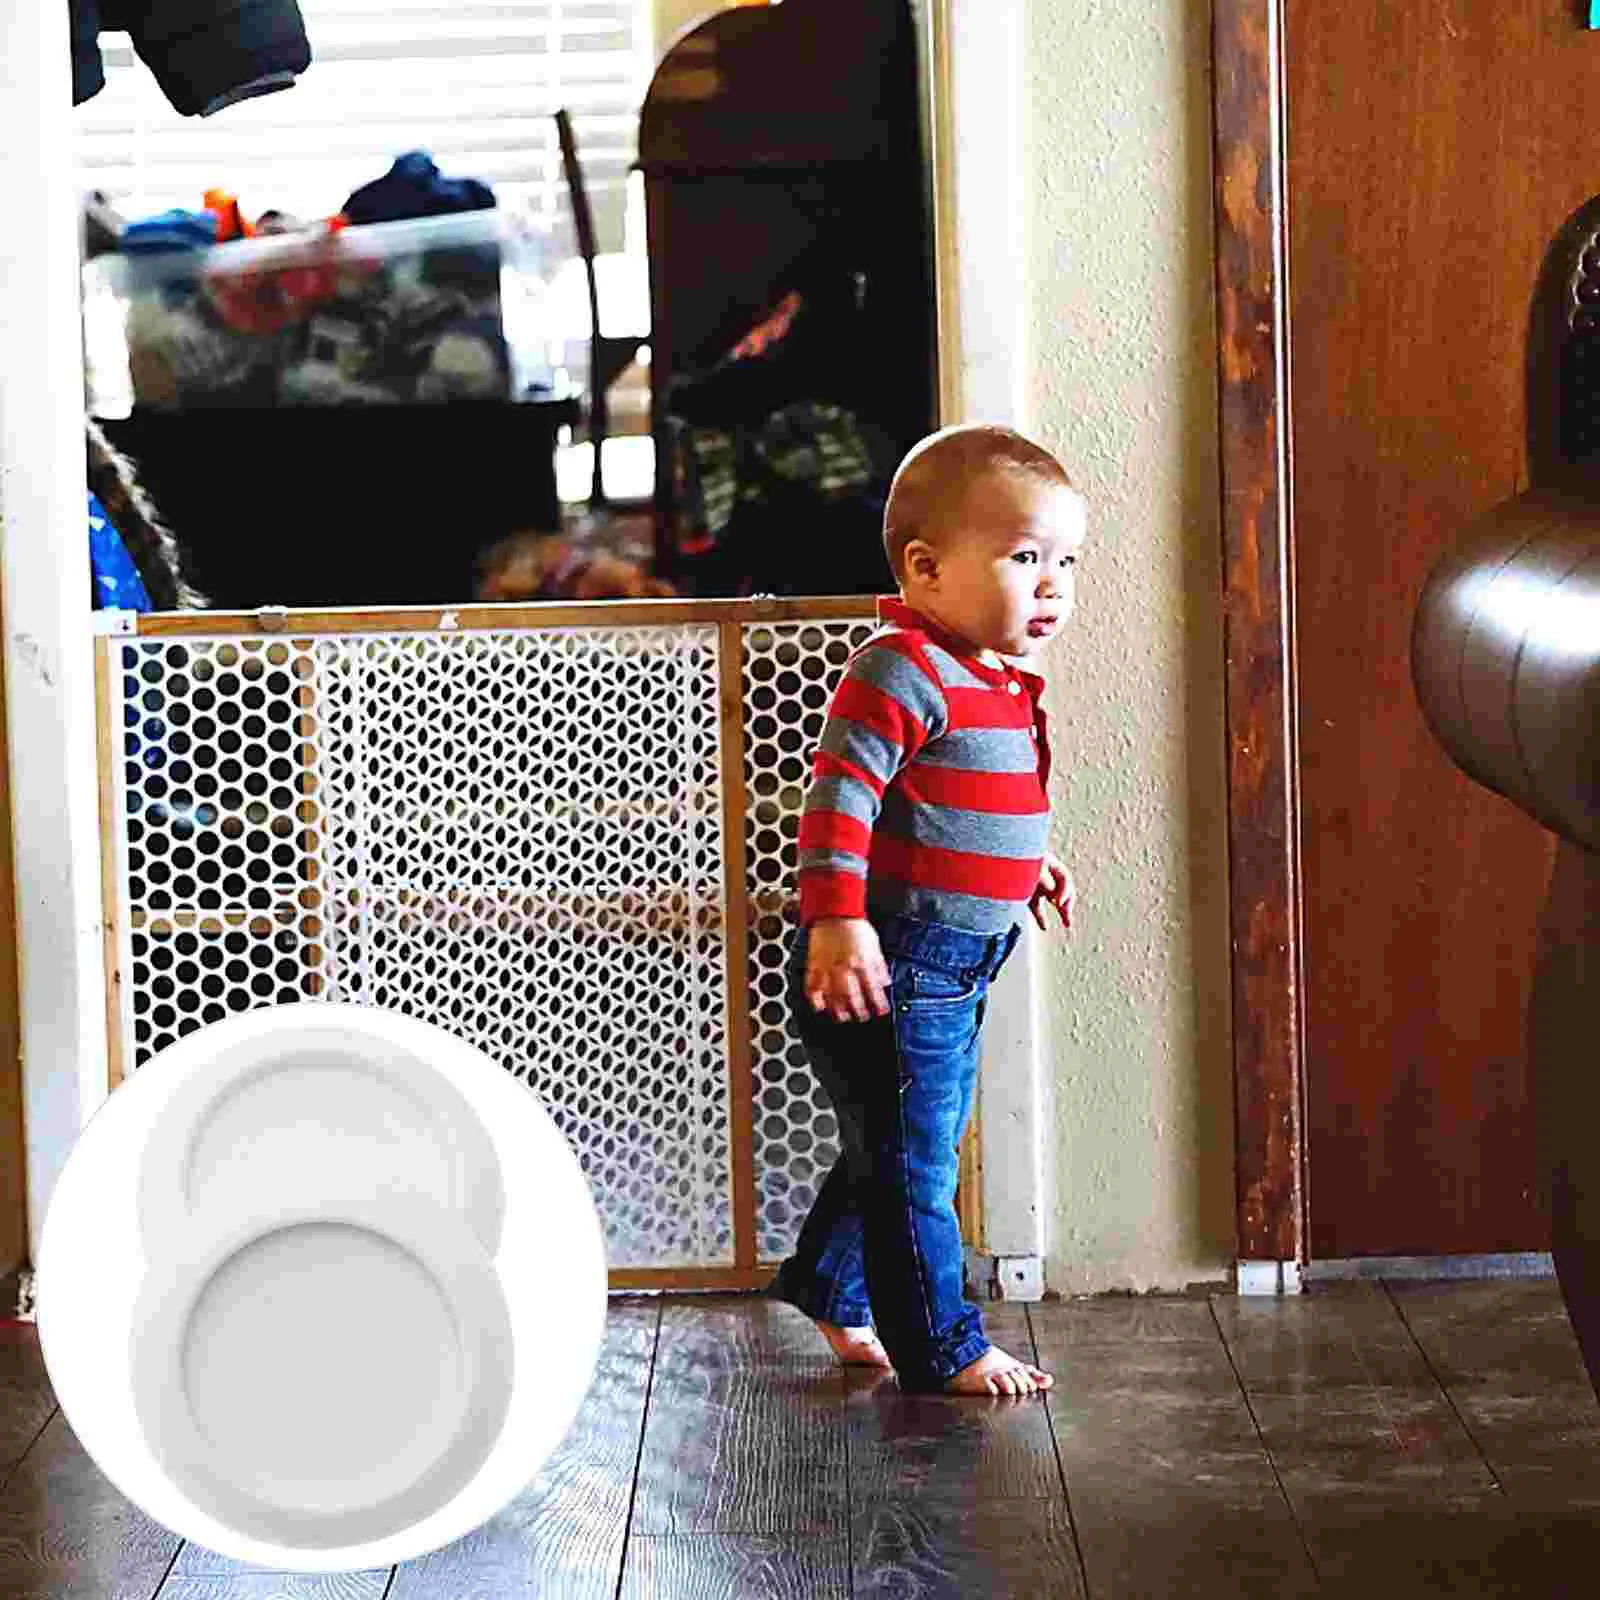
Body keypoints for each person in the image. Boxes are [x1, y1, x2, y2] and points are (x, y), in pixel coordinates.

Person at [770, 423, 1084, 1397]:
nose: (1051, 584)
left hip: (957, 958)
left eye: (1065, 561)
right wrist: (838, 919)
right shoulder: (899, 665)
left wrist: (1028, 865)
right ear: (925, 567)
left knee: (902, 1138)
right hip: (890, 956)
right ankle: (941, 1344)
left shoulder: (988, 675)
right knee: (916, 1162)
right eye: (1024, 557)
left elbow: (954, 804)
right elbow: (840, 800)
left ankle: (829, 1283)